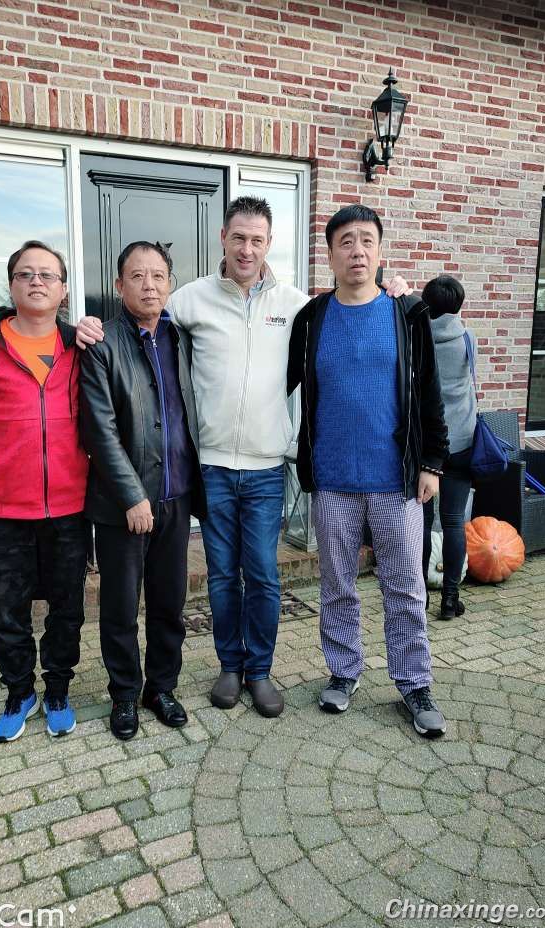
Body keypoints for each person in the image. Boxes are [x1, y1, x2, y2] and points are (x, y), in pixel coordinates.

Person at [76, 197, 410, 719]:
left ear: (268, 243)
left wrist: (394, 290)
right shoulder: (189, 299)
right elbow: (142, 320)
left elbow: (350, 305)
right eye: (238, 238)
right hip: (209, 468)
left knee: (264, 576)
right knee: (221, 577)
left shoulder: (297, 305)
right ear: (223, 240)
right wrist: (85, 326)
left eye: (257, 239)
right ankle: (229, 666)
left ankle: (259, 671)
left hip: (266, 470)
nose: (247, 249)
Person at [287, 204, 450, 737]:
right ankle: (343, 671)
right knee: (336, 584)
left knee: (405, 587)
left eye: (366, 241)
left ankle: (414, 683)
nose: (357, 251)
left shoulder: (408, 314)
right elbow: (276, 378)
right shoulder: (311, 319)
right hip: (332, 480)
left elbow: (429, 392)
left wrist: (432, 462)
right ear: (330, 254)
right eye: (346, 242)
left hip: (396, 481)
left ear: (380, 251)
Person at [0, 241, 89, 742]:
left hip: (70, 506)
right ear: (11, 285)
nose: (37, 281)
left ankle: (57, 689)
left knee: (66, 608)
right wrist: (1, 465)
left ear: (63, 289)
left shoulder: (80, 346)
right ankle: (19, 692)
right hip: (6, 507)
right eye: (25, 274)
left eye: (47, 275)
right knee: (10, 611)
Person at [79, 241, 206, 741]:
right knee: (119, 608)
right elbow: (100, 430)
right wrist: (132, 496)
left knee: (169, 603)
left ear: (170, 283)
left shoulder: (183, 338)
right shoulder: (100, 344)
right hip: (123, 507)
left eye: (157, 275)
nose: (148, 285)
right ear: (119, 285)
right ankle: (125, 695)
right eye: (137, 276)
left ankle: (162, 688)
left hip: (176, 497)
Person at [420, 275, 476, 620]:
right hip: (463, 443)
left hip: (428, 446)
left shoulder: (418, 338)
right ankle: (451, 599)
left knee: (423, 522)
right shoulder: (468, 339)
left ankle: (420, 597)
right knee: (454, 521)